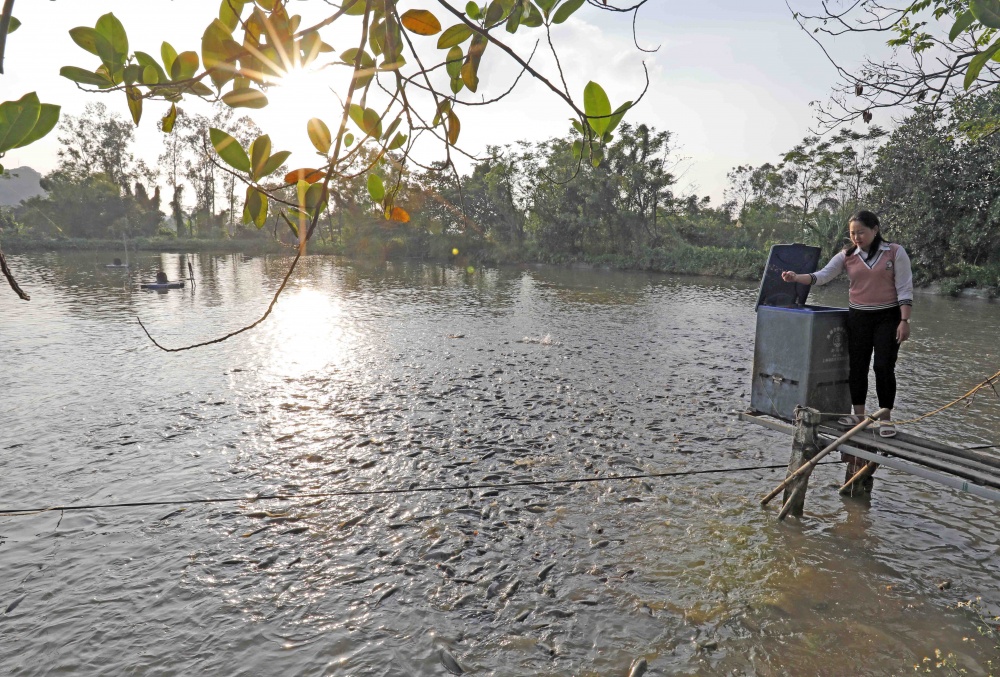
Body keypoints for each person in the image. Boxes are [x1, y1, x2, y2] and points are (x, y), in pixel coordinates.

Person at [781, 211, 913, 486]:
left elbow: (904, 288)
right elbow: (822, 276)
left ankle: (885, 418)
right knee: (858, 366)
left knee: (883, 365)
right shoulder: (847, 255)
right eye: (852, 233)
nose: (856, 237)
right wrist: (796, 277)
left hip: (888, 317)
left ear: (875, 229)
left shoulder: (894, 252)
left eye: (861, 232)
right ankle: (859, 416)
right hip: (859, 316)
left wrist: (904, 320)